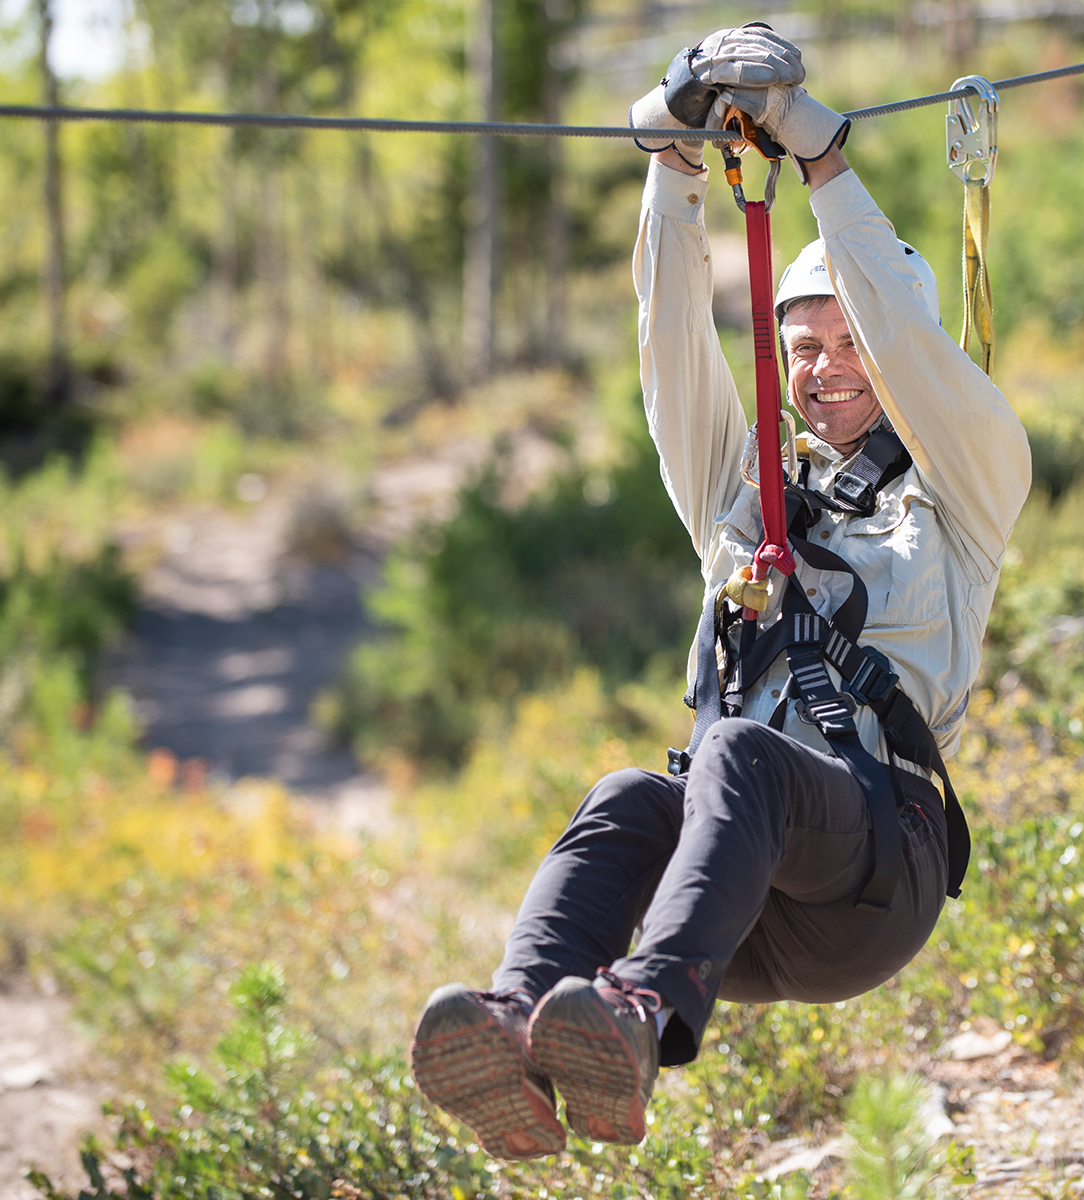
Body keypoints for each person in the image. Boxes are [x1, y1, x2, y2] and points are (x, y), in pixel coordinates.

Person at [409, 26, 1031, 1162]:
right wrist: (672, 164)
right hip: (737, 900)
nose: (829, 364)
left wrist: (825, 160)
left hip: (875, 873)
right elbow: (670, 357)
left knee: (738, 756)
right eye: (801, 346)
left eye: (852, 342)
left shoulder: (967, 490)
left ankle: (638, 1016)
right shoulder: (750, 501)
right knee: (628, 794)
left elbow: (899, 323)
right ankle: (521, 1032)